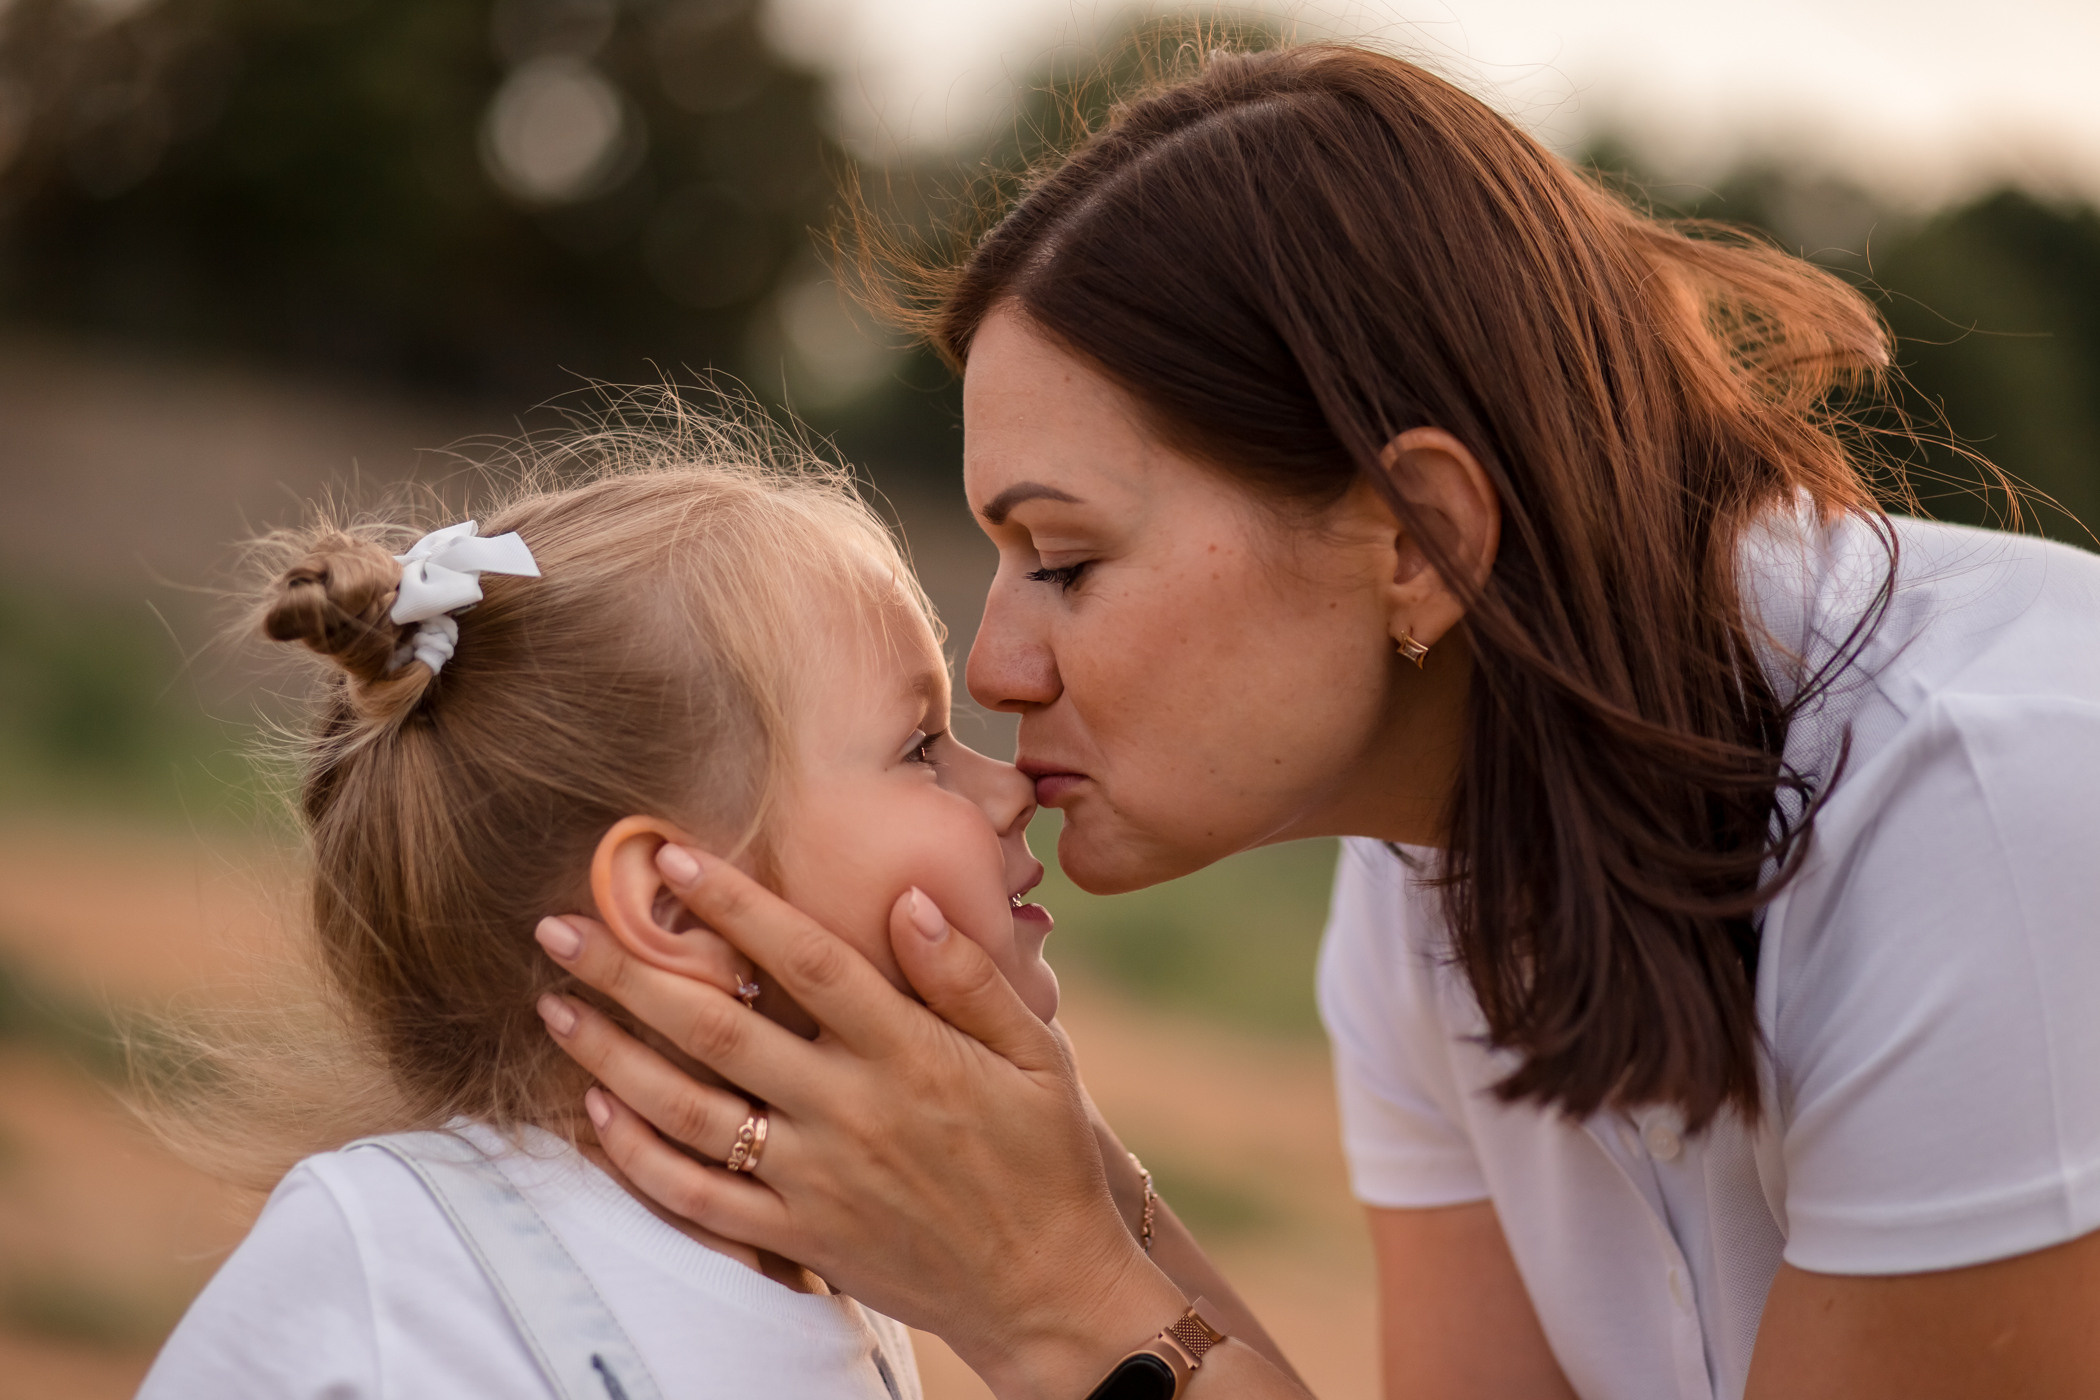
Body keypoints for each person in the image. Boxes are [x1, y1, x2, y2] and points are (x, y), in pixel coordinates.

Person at [531, 42, 2100, 1400]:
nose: (994, 665)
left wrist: (1052, 1290)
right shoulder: (1424, 882)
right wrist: (1082, 1204)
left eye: (1066, 559)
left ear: (1417, 533)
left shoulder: (1991, 818)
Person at [139, 425, 1176, 1398]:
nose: (1007, 788)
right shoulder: (382, 1271)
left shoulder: (865, 1281)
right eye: (920, 746)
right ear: (675, 905)